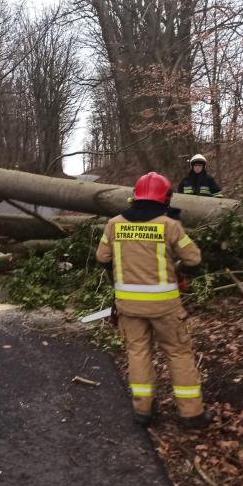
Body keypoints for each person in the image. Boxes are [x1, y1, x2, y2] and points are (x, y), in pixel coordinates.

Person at [96, 172, 213, 429]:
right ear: (165, 198)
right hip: (166, 306)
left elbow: (102, 258)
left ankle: (143, 411)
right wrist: (179, 270)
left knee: (138, 353)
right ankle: (191, 413)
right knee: (178, 353)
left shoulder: (114, 224)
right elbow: (194, 259)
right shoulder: (169, 226)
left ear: (135, 196)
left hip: (128, 305)